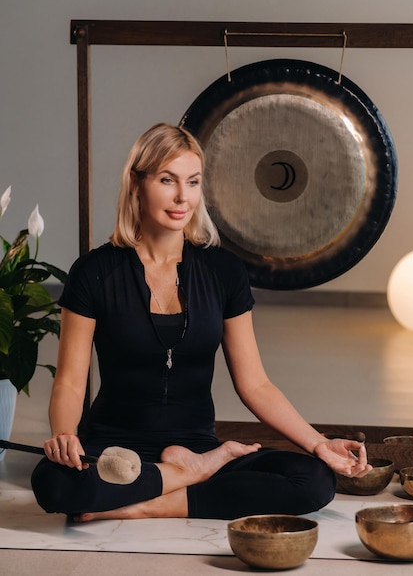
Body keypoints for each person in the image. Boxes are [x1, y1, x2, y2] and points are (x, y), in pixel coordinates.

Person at [31, 122, 371, 522]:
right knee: (53, 482)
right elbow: (70, 381)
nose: (182, 197)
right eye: (167, 180)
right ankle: (182, 476)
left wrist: (319, 444)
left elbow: (255, 384)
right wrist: (65, 435)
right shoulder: (94, 272)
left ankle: (151, 499)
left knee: (312, 479)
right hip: (115, 450)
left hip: (198, 446)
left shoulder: (222, 270)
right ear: (136, 184)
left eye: (192, 182)